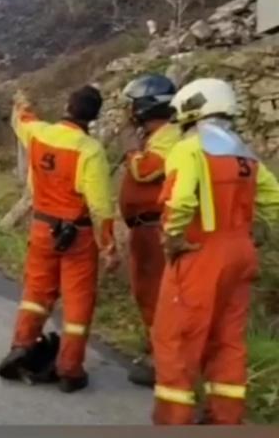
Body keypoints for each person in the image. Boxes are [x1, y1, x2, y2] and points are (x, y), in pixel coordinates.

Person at [151, 78, 279, 425]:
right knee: (228, 342)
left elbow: (180, 199)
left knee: (176, 343)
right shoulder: (244, 153)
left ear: (193, 107)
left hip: (201, 254)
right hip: (240, 253)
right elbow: (273, 199)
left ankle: (173, 422)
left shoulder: (190, 148)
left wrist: (173, 235)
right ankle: (225, 420)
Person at [0, 86, 119, 393]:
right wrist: (108, 246)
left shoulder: (39, 133)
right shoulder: (89, 150)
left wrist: (21, 102)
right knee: (78, 302)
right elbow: (101, 207)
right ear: (94, 115)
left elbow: (21, 120)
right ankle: (70, 369)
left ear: (67, 105)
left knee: (36, 292)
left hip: (41, 227)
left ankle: (22, 345)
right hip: (77, 235)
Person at [117, 75, 182, 387]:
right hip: (145, 229)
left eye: (132, 104)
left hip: (155, 227)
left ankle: (163, 360)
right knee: (147, 292)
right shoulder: (157, 135)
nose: (129, 111)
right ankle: (157, 346)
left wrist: (130, 151)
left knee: (157, 294)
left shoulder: (168, 136)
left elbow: (145, 171)